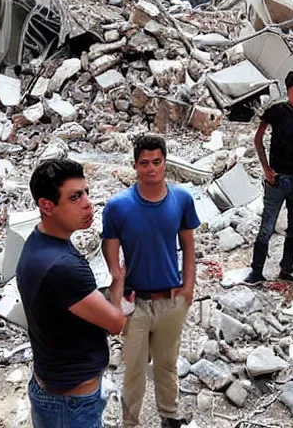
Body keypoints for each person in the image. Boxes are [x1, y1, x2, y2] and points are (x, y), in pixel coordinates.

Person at [17, 159, 126, 428]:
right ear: (46, 206)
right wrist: (118, 283)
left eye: (86, 192)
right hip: (71, 403)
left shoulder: (38, 242)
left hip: (52, 386)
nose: (88, 203)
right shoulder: (64, 267)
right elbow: (116, 323)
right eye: (75, 197)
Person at [102, 134, 200, 428]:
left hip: (171, 299)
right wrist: (117, 293)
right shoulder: (118, 206)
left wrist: (189, 286)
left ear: (165, 162)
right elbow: (111, 249)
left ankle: (169, 416)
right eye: (144, 163)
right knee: (133, 369)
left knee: (167, 364)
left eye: (157, 162)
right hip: (136, 303)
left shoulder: (181, 199)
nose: (151, 169)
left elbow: (188, 244)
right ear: (135, 166)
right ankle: (130, 422)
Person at [245, 71, 293, 284]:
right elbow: (258, 139)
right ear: (289, 90)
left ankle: (286, 268)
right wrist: (266, 169)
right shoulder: (277, 111)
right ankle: (256, 272)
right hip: (276, 179)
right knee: (267, 227)